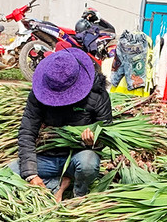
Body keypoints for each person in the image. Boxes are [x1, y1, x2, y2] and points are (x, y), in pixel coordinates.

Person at [12, 49, 112, 201]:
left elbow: (107, 132)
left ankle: (78, 193)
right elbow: (27, 132)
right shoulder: (38, 94)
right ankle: (56, 185)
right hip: (47, 157)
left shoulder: (97, 95)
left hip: (76, 157)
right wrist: (31, 174)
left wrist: (95, 141)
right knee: (10, 172)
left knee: (88, 163)